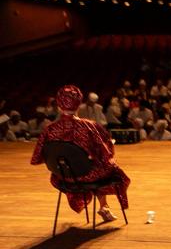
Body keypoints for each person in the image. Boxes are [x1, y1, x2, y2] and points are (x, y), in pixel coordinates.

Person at [30, 85, 130, 221]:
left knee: (93, 165)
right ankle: (104, 206)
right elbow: (105, 152)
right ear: (78, 104)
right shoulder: (89, 125)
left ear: (59, 105)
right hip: (88, 175)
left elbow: (38, 157)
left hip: (64, 177)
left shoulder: (49, 129)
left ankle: (104, 206)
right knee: (109, 167)